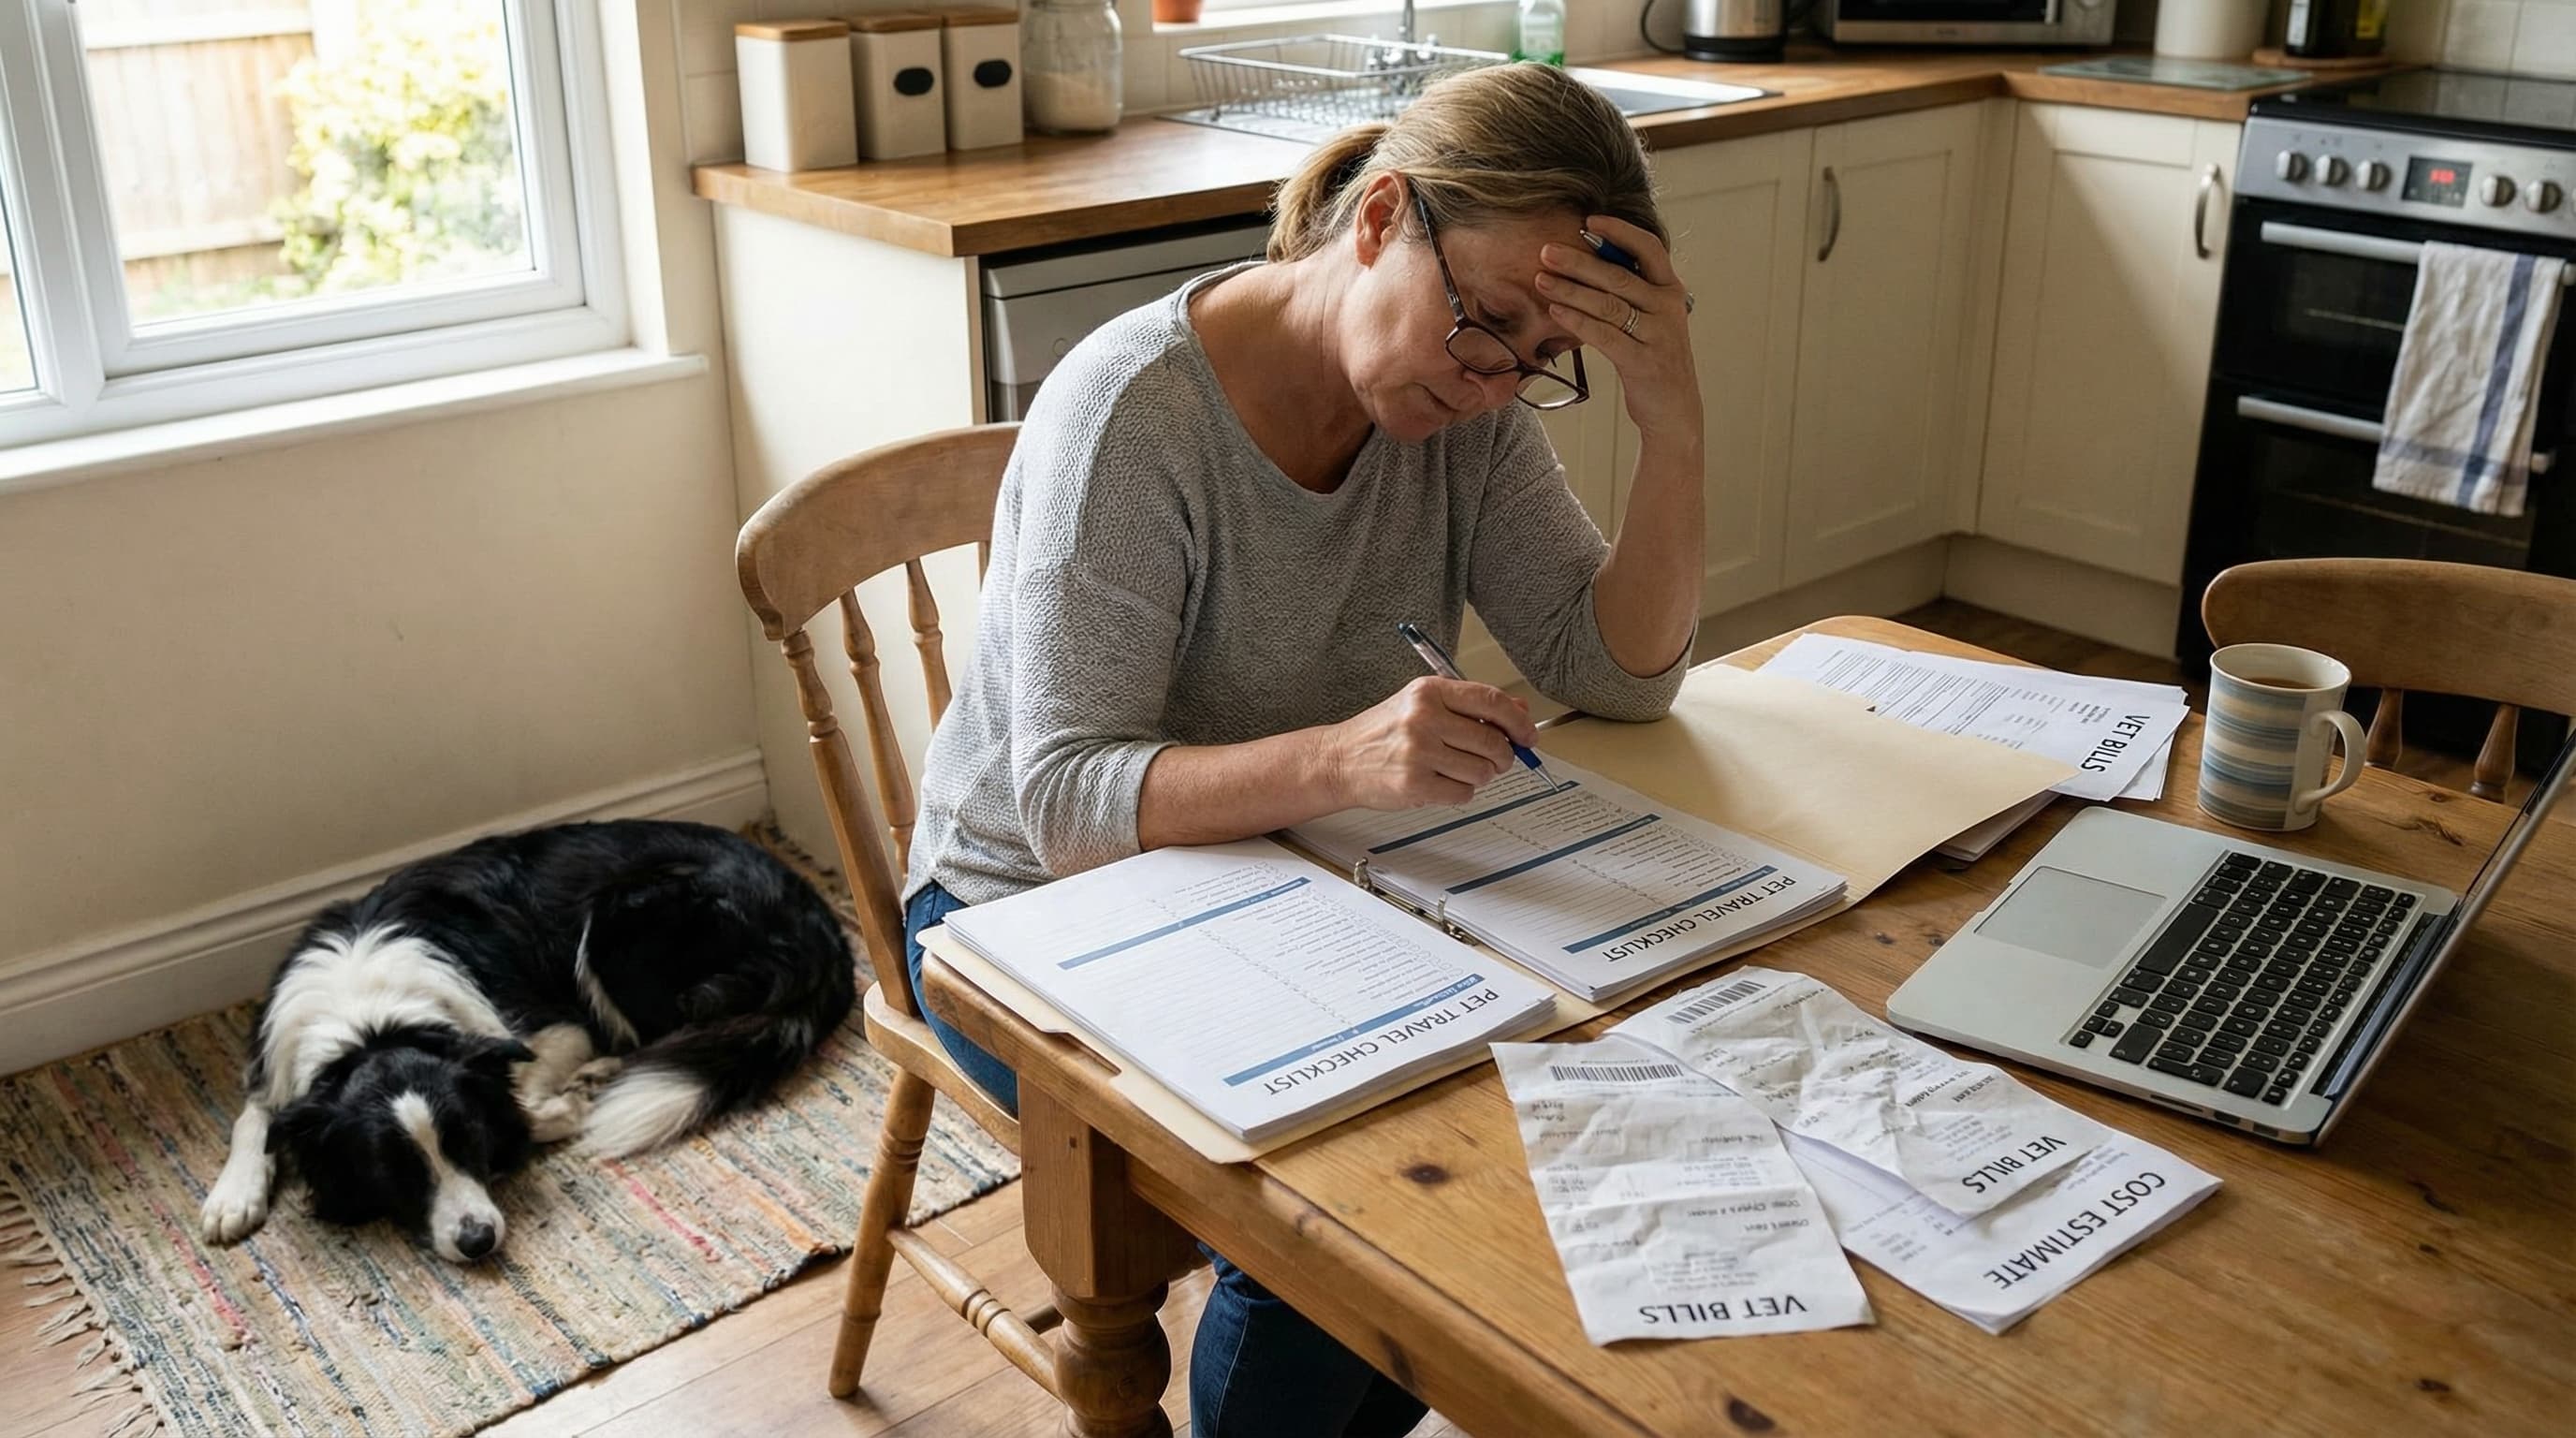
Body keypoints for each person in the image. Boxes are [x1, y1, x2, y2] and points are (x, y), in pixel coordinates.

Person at [898, 61, 1704, 1438]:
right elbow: (1068, 804)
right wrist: (1341, 763)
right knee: (1332, 1238)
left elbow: (1615, 674)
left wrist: (1671, 416)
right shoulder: (1133, 412)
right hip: (1020, 918)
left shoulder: (1470, 408)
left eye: (1537, 357)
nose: (1499, 375)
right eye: (1487, 323)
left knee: (1478, 1164)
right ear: (1383, 217)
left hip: (1296, 887)